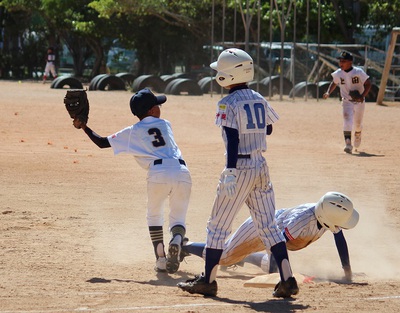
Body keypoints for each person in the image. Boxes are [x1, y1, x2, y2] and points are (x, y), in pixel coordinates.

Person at [177, 48, 298, 298]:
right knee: (269, 226)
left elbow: (232, 138)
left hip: (239, 167)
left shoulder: (227, 102)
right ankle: (288, 279)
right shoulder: (258, 96)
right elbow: (269, 130)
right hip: (260, 166)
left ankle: (208, 281)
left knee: (217, 227)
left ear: (227, 75)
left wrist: (230, 171)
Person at [72, 88, 192, 274]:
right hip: (182, 171)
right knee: (178, 217)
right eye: (157, 105)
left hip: (158, 173)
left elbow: (102, 142)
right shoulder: (165, 124)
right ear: (152, 111)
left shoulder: (133, 131)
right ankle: (176, 238)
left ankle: (161, 259)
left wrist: (84, 127)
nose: (160, 107)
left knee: (154, 216)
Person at [181, 191, 359, 282]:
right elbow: (276, 244)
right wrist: (279, 278)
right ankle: (185, 246)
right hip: (258, 228)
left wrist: (347, 271)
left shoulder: (325, 214)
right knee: (224, 257)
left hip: (273, 235)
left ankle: (243, 256)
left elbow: (339, 239)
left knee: (270, 265)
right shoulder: (302, 221)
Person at [323, 51, 372, 154]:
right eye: (340, 61)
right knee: (347, 121)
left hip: (359, 102)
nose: (341, 63)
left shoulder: (358, 72)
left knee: (357, 124)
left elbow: (368, 84)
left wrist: (362, 96)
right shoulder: (338, 73)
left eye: (344, 61)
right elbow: (334, 82)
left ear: (350, 62)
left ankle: (358, 133)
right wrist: (328, 92)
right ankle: (348, 144)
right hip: (346, 101)